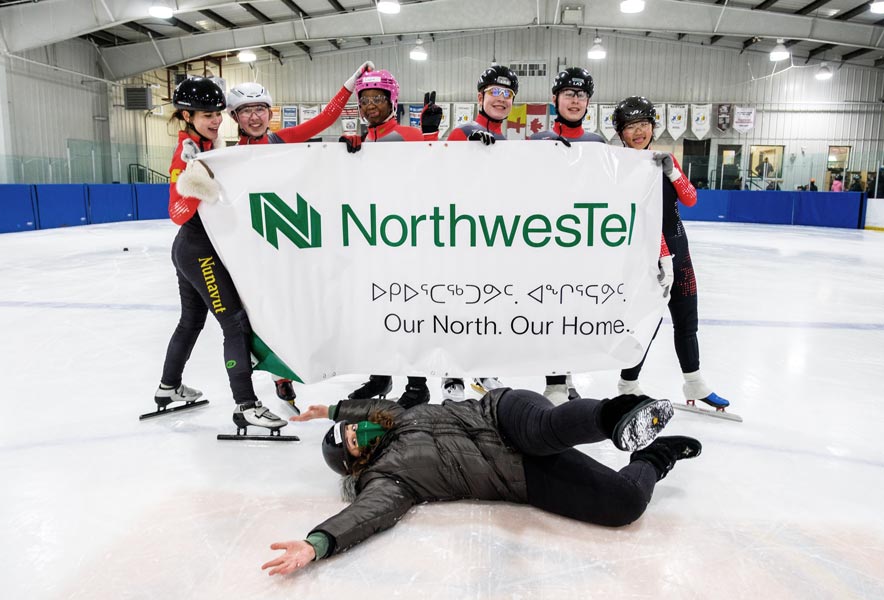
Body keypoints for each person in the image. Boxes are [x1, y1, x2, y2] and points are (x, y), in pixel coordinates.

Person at [260, 389, 699, 576]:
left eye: (355, 428)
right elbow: (366, 514)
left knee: (545, 427)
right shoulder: (387, 478)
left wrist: (333, 411)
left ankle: (621, 412)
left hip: (502, 414)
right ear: (354, 463)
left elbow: (371, 407)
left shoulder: (396, 416)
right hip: (517, 475)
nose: (359, 434)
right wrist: (318, 543)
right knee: (622, 504)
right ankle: (655, 455)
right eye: (352, 443)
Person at [225, 61, 374, 412]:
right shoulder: (226, 158)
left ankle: (286, 372)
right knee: (255, 318)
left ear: (270, 112)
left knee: (290, 310)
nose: (255, 117)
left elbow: (322, 122)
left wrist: (348, 85)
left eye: (260, 109)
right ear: (235, 117)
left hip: (286, 242)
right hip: (250, 251)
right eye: (246, 111)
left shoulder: (280, 140)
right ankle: (274, 380)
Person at [151, 76, 286, 434]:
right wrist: (194, 174)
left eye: (216, 113)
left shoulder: (207, 143)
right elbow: (177, 213)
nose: (214, 120)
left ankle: (169, 386)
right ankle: (247, 405)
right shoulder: (187, 150)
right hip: (198, 249)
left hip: (192, 248)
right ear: (186, 115)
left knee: (191, 322)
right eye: (205, 114)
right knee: (235, 323)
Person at [531, 69, 672, 405]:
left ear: (588, 102)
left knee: (576, 312)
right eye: (568, 93)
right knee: (552, 312)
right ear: (556, 100)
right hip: (545, 241)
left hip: (585, 244)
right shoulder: (536, 143)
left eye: (581, 95)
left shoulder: (598, 144)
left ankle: (568, 376)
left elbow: (623, 199)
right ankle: (554, 381)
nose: (575, 100)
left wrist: (658, 248)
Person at [611, 96, 730, 411]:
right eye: (631, 127)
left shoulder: (666, 159)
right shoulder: (618, 168)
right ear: (621, 132)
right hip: (645, 256)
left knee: (687, 319)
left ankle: (695, 382)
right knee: (646, 324)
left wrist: (672, 172)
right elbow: (638, 219)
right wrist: (662, 255)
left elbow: (690, 200)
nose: (639, 132)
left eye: (644, 125)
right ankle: (628, 383)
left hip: (680, 248)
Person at [338, 69, 431, 409]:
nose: (370, 105)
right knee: (375, 312)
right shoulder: (360, 141)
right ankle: (380, 376)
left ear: (391, 100)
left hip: (406, 237)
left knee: (407, 311)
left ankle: (417, 384)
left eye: (377, 98)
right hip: (371, 239)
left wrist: (431, 133)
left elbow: (437, 167)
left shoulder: (408, 134)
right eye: (364, 100)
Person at [437, 65, 520, 401]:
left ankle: (485, 368)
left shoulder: (511, 142)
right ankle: (450, 374)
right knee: (455, 301)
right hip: (459, 232)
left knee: (489, 303)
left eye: (507, 95)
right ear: (480, 97)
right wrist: (464, 152)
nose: (500, 100)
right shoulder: (461, 131)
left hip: (493, 235)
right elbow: (435, 172)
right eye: (494, 93)